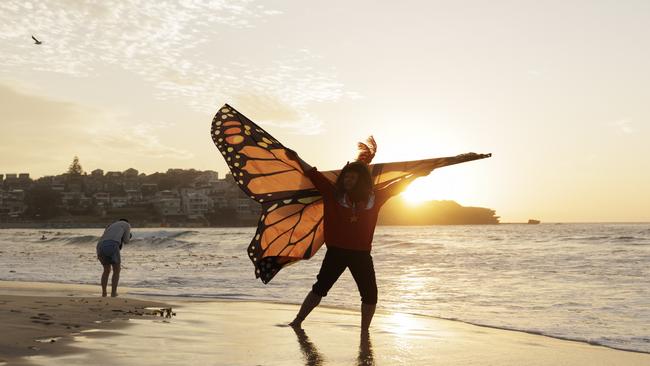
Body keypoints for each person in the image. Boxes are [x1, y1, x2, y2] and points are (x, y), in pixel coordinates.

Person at [286, 139, 428, 332]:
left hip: (361, 254)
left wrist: (418, 174)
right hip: (336, 252)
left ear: (361, 180)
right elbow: (313, 174)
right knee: (320, 288)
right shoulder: (333, 194)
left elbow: (398, 185)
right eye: (346, 178)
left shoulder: (374, 198)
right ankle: (297, 321)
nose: (348, 181)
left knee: (370, 294)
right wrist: (296, 157)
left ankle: (364, 330)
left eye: (352, 178)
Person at [96, 218, 131, 297]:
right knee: (116, 270)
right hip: (112, 244)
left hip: (100, 245)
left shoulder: (111, 225)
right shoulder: (126, 225)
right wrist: (129, 236)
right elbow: (126, 241)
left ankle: (104, 293)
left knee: (106, 270)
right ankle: (113, 293)